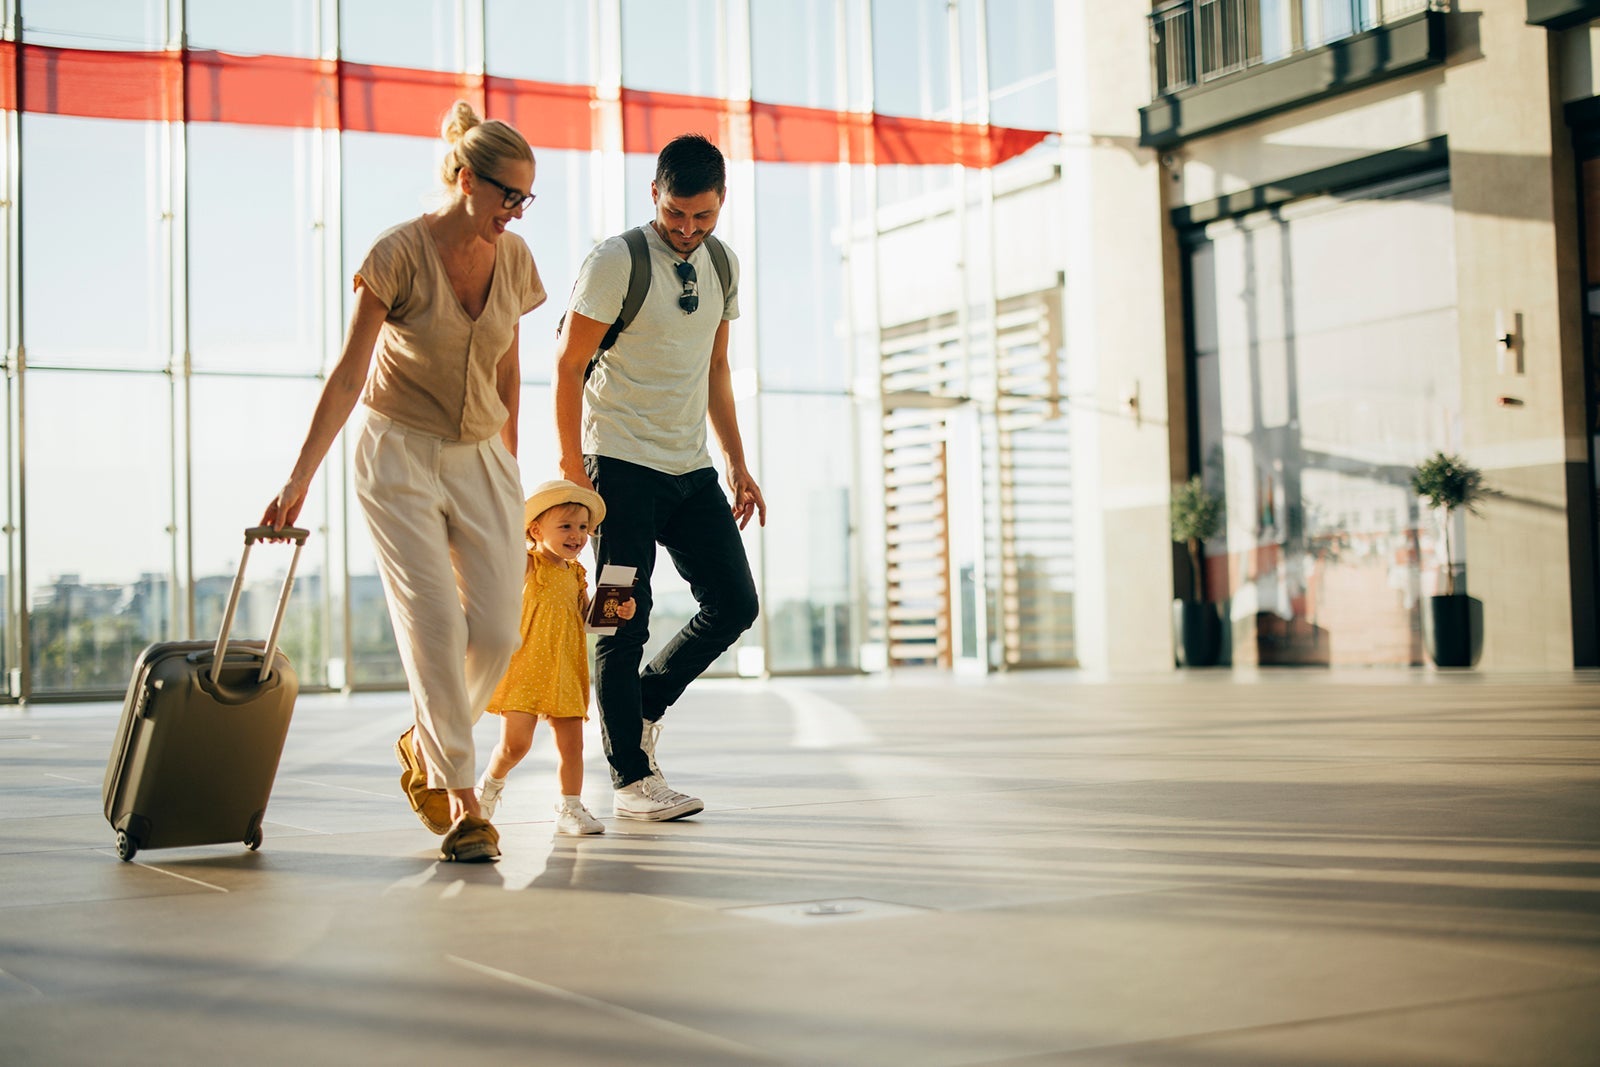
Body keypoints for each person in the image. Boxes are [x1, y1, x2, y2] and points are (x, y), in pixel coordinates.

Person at [262, 100, 545, 863]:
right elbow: (352, 371)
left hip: (483, 454)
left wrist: (515, 469)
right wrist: (299, 478)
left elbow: (511, 369)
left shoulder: (515, 261)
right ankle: (460, 802)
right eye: (507, 195)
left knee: (496, 630)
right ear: (465, 178)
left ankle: (426, 741)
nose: (516, 212)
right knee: (434, 625)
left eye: (526, 198)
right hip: (398, 454)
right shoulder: (396, 253)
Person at [553, 133, 765, 822]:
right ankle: (630, 778)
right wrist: (569, 467)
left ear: (721, 203)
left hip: (689, 465)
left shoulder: (723, 264)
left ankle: (643, 704)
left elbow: (717, 367)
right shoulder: (617, 260)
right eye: (676, 214)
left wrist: (736, 460)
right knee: (621, 618)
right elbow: (566, 366)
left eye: (702, 217)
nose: (687, 229)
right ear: (654, 195)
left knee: (734, 602)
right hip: (617, 464)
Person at [476, 480, 636, 835]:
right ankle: (490, 783)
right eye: (565, 526)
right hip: (525, 666)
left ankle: (570, 806)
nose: (577, 535)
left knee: (573, 745)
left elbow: (585, 617)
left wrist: (618, 609)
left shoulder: (577, 573)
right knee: (515, 744)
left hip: (565, 667)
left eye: (582, 528)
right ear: (535, 530)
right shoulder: (529, 564)